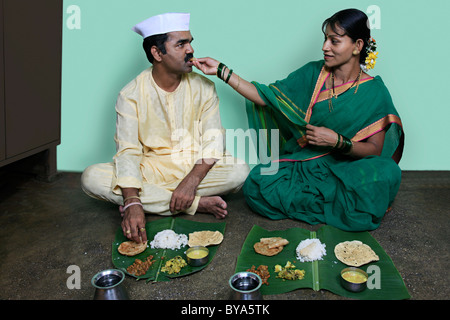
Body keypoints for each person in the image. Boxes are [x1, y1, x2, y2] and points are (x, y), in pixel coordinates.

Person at [193, 8, 404, 231]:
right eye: (325, 40)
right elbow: (266, 97)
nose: (325, 47)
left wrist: (338, 142)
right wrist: (221, 71)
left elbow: (374, 151)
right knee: (256, 183)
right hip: (308, 163)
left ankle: (334, 201)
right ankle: (342, 206)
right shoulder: (313, 73)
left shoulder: (375, 91)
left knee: (386, 171)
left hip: (350, 168)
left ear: (358, 46)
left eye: (334, 41)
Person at [81, 13, 249, 243]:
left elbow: (213, 142)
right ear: (157, 53)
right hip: (152, 169)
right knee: (92, 177)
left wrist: (190, 182)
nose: (190, 50)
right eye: (181, 44)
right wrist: (131, 200)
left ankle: (154, 201)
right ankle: (194, 205)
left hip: (195, 166)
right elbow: (128, 151)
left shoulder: (204, 87)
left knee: (239, 171)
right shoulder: (130, 94)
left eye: (190, 42)